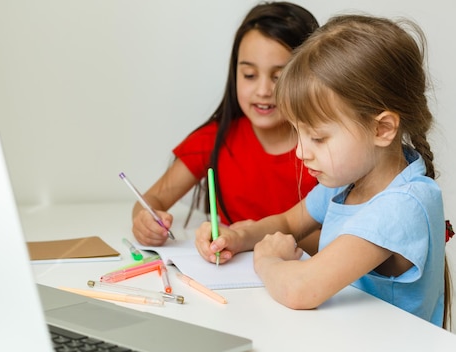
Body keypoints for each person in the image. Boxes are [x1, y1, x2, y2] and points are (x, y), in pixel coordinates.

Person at [195, 14, 452, 329]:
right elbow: (290, 222)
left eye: (317, 137)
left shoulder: (402, 205)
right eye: (298, 134)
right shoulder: (350, 182)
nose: (302, 152)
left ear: (382, 129)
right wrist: (239, 236)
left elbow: (302, 288)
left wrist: (267, 260)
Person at [131, 2, 320, 250]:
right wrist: (145, 220)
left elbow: (343, 240)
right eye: (249, 75)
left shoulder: (327, 146)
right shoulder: (214, 139)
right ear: (235, 74)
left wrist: (251, 235)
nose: (263, 91)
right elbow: (153, 198)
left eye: (279, 77)